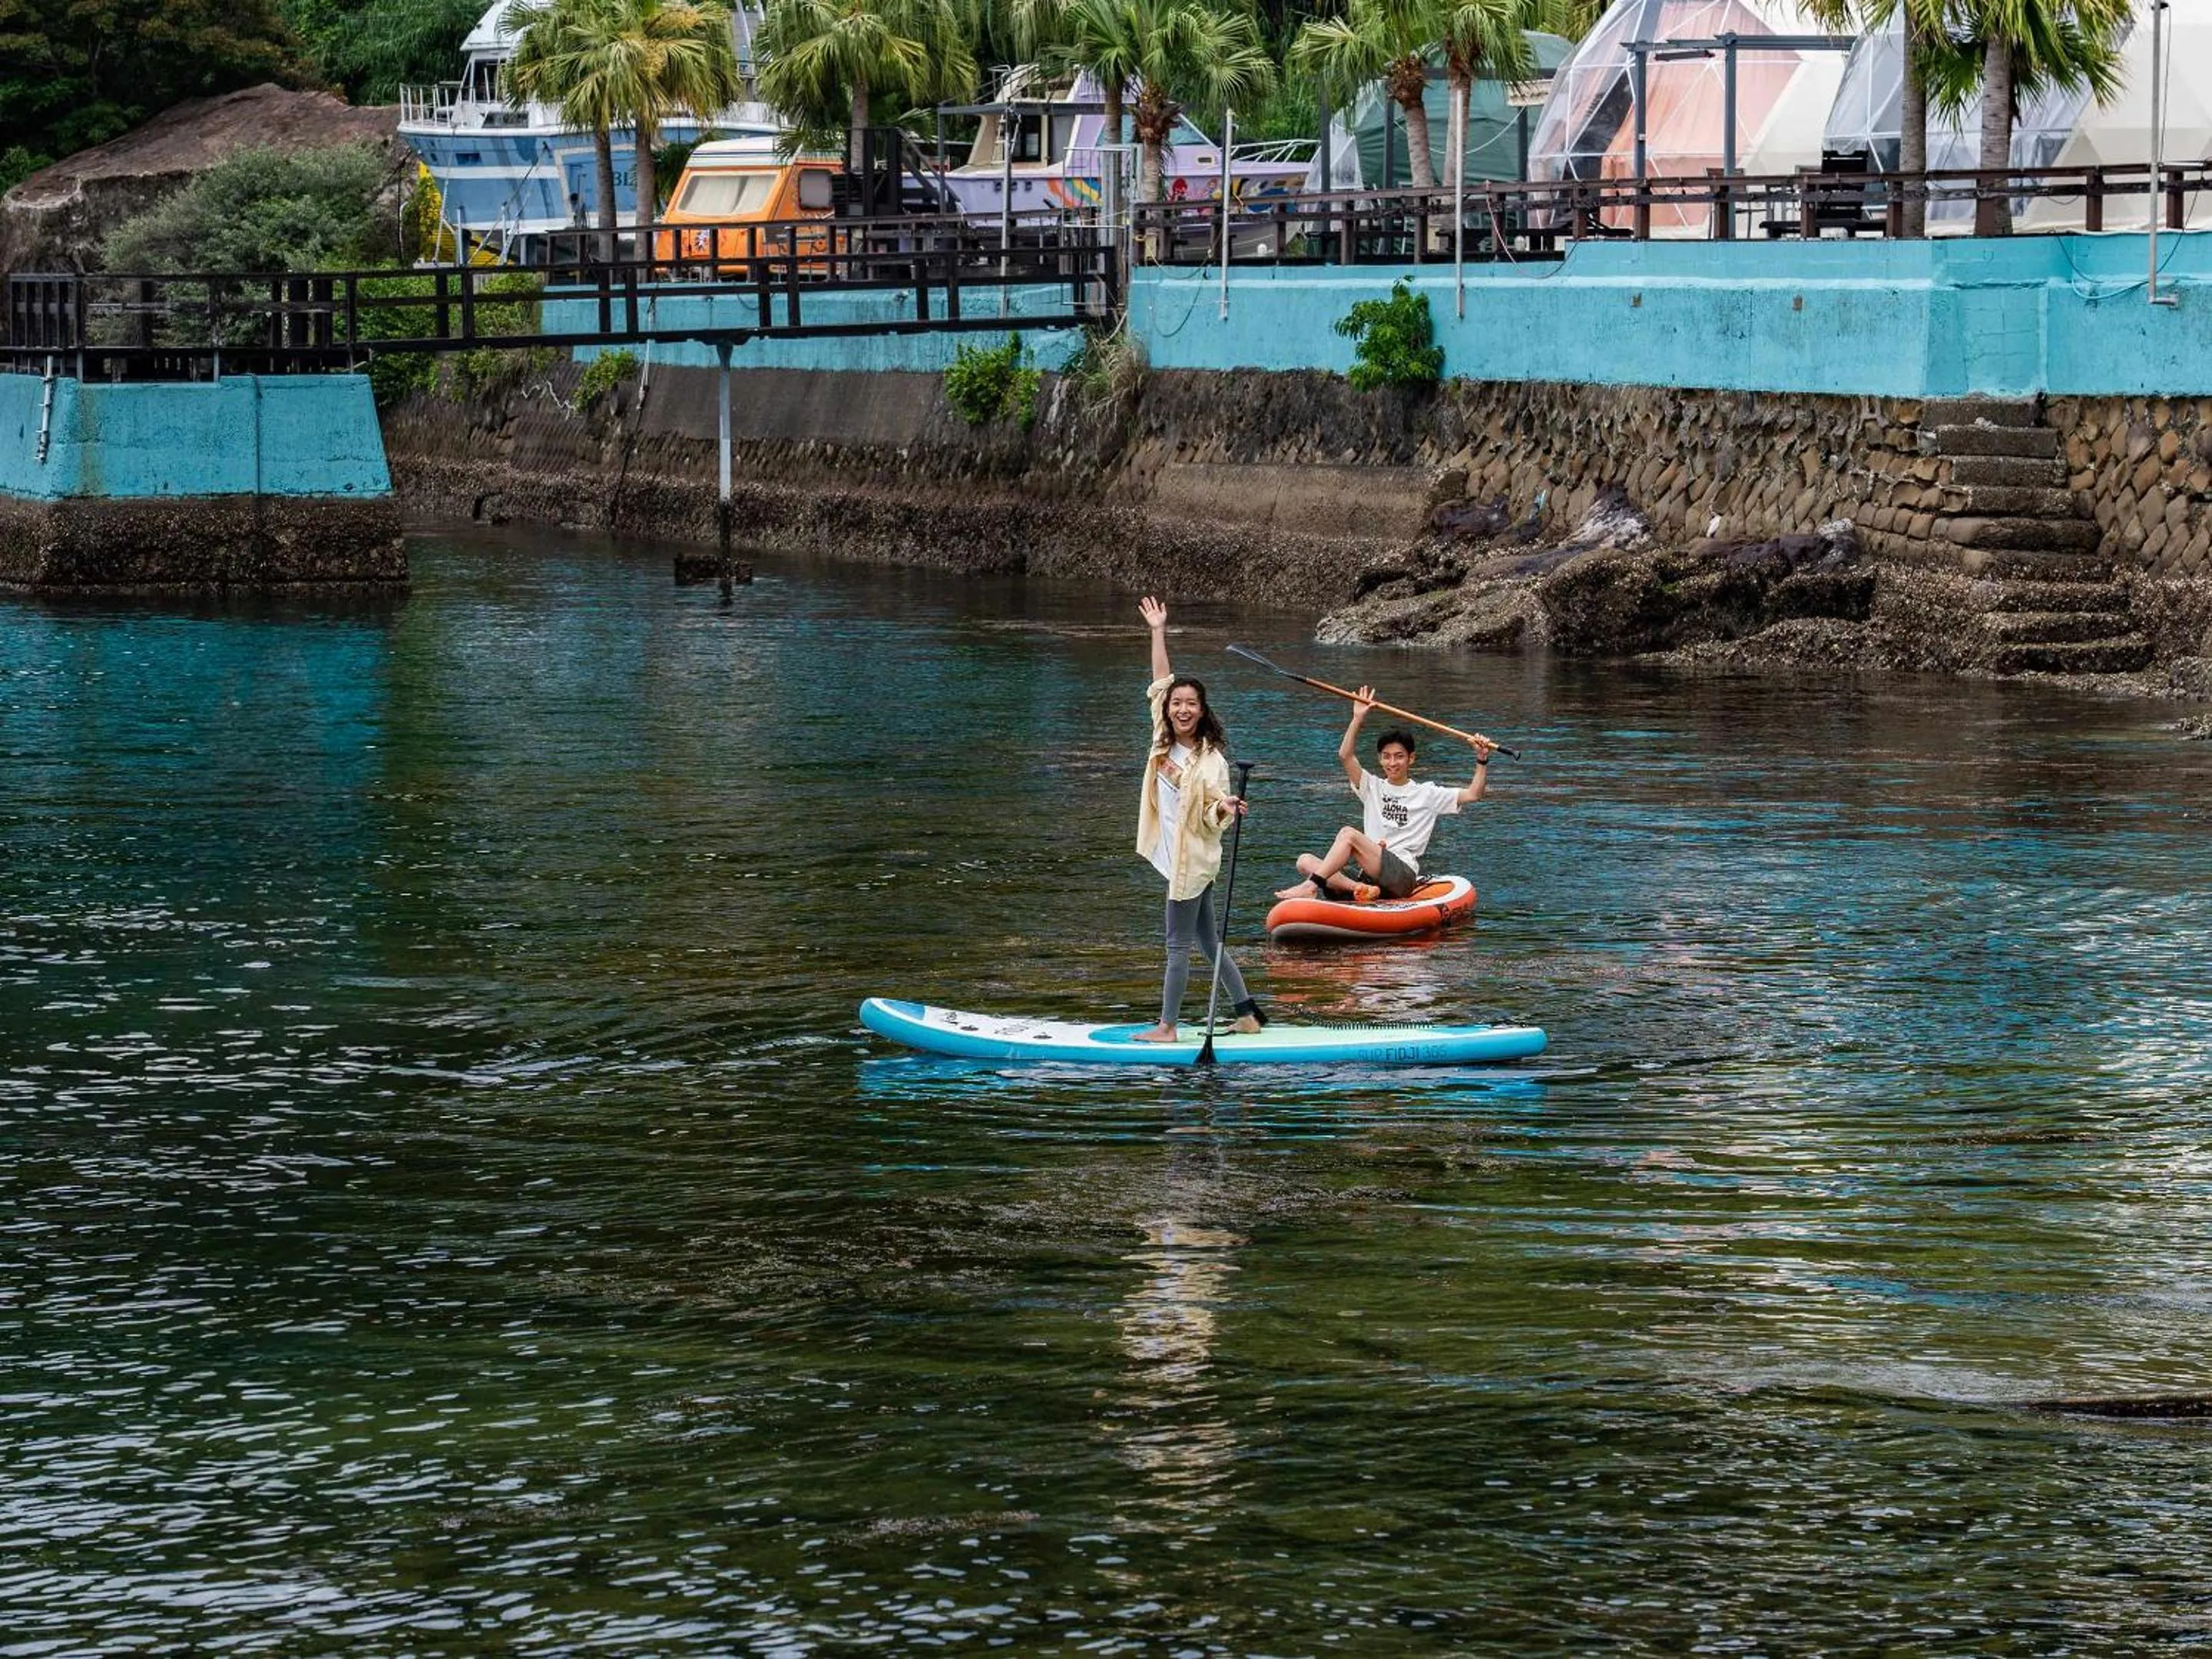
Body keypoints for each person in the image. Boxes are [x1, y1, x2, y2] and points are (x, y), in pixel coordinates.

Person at [1134, 596, 1263, 1041]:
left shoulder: (1212, 763)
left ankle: (1167, 1027)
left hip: (1193, 861)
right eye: (1177, 704)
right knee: (1209, 943)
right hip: (1180, 857)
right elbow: (1159, 681)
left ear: (1203, 711)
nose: (1182, 709)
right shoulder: (1161, 735)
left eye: (1191, 704)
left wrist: (1225, 808)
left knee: (1176, 946)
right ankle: (1247, 1014)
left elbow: (1212, 815)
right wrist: (1157, 631)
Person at [1276, 686, 1496, 903]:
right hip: (1371, 873)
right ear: (1380, 759)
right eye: (1387, 757)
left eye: (1399, 756)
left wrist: (1481, 759)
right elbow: (1345, 756)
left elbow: (1474, 794)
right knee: (1304, 861)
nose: (1392, 763)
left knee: (1348, 834)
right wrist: (1357, 719)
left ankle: (1310, 887)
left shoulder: (1427, 793)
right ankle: (1360, 888)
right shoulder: (1371, 786)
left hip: (1402, 874)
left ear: (1411, 759)